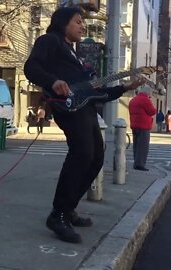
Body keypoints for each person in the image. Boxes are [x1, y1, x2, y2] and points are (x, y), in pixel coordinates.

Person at [24, 7, 145, 244]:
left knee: (96, 158)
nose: (82, 26)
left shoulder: (74, 53)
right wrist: (53, 81)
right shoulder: (50, 41)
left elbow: (95, 93)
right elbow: (31, 67)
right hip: (68, 109)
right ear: (63, 23)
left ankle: (68, 209)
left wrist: (124, 88)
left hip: (86, 110)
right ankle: (58, 214)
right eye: (78, 21)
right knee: (82, 155)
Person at [129, 87, 156, 171]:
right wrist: (149, 100)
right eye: (150, 94)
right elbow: (152, 111)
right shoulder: (145, 99)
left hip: (134, 124)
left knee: (136, 145)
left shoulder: (133, 100)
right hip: (143, 125)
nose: (151, 95)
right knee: (143, 146)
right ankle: (140, 164)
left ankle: (136, 163)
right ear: (147, 93)